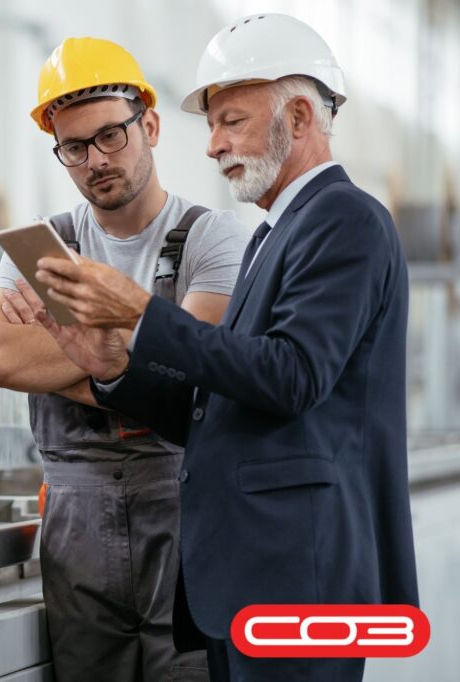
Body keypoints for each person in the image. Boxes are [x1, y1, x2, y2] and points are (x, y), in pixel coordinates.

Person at [24, 14, 420, 682]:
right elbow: (225, 403)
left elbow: (292, 376)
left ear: (297, 116)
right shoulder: (277, 233)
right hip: (256, 578)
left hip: (300, 580)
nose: (211, 145)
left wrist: (141, 310)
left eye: (229, 121)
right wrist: (114, 369)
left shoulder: (345, 219)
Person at [0, 37, 248, 681]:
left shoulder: (212, 237)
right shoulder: (43, 244)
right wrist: (132, 354)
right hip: (75, 522)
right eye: (74, 146)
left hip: (181, 511)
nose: (95, 159)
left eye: (110, 136)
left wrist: (85, 349)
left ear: (149, 125)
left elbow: (194, 372)